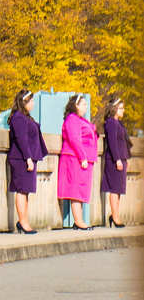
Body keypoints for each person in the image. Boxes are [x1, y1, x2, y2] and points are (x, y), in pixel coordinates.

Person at [7, 89, 47, 234]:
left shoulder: (25, 117)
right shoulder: (18, 118)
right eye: (31, 101)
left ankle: (24, 220)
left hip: (27, 157)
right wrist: (28, 158)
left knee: (26, 191)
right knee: (22, 190)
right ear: (24, 102)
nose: (33, 104)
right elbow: (21, 139)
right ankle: (22, 221)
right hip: (21, 158)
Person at [58, 93, 97, 230]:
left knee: (81, 189)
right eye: (83, 104)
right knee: (76, 189)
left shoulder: (80, 120)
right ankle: (78, 221)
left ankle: (79, 220)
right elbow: (75, 139)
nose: (86, 107)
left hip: (81, 158)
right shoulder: (72, 120)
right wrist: (82, 157)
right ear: (76, 105)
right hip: (75, 159)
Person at [100, 95, 129, 228]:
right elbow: (112, 143)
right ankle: (114, 216)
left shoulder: (119, 123)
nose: (123, 111)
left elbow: (124, 143)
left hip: (121, 159)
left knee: (119, 189)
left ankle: (116, 214)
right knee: (114, 188)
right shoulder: (111, 123)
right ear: (114, 109)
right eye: (121, 108)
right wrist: (117, 159)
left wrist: (125, 159)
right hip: (114, 160)